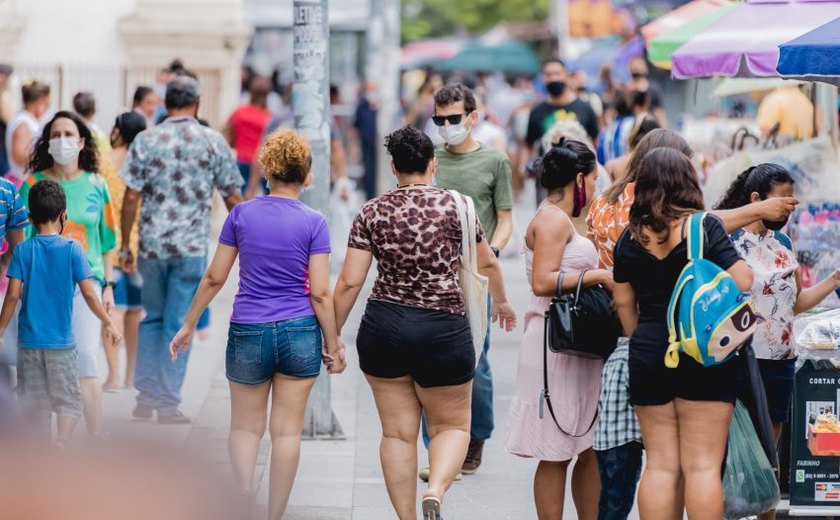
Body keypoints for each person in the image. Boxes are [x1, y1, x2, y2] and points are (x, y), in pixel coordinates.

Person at [333, 125, 517, 520]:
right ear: (433, 164)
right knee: (452, 426)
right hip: (443, 329)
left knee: (397, 433)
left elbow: (350, 281)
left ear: (393, 167)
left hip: (384, 327)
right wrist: (501, 302)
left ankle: (407, 518)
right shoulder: (460, 207)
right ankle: (434, 488)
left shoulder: (372, 211)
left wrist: (331, 337)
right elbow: (487, 263)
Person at [170, 129, 345, 518]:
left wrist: (188, 323)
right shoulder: (315, 222)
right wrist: (333, 343)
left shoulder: (241, 214)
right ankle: (275, 514)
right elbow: (319, 292)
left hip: (248, 329)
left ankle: (243, 494)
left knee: (246, 427)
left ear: (266, 171)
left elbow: (215, 277)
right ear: (308, 176)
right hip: (299, 331)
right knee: (287, 432)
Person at [612, 147, 754, 519]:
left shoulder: (629, 238)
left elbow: (624, 304)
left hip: (648, 349)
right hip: (702, 352)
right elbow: (743, 279)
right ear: (687, 183)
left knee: (660, 465)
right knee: (703, 466)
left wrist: (643, 337)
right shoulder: (704, 227)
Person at [716, 164, 839, 520]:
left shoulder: (784, 243)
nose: (789, 208)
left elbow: (794, 304)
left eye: (792, 201)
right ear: (756, 200)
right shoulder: (728, 239)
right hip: (738, 359)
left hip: (781, 362)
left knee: (770, 456)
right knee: (731, 450)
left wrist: (833, 280)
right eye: (783, 200)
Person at [119, 75, 242, 424]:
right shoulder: (211, 141)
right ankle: (168, 403)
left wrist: (128, 242)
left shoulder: (146, 140)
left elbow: (130, 196)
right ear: (197, 104)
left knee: (152, 318)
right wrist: (252, 234)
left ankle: (146, 398)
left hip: (152, 248)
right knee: (179, 321)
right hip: (189, 248)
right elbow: (232, 196)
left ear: (165, 103)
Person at [505, 138, 607, 520]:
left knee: (586, 444)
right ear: (579, 180)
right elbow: (542, 282)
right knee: (555, 450)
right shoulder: (553, 218)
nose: (595, 189)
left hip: (572, 341)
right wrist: (600, 275)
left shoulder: (559, 218)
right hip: (556, 342)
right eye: (594, 181)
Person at [427, 83, 514, 477]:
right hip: (432, 274)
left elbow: (506, 218)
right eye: (439, 120)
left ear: (473, 117)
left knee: (475, 361)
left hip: (477, 276)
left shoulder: (495, 161)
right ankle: (439, 445)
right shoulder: (431, 160)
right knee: (431, 360)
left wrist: (491, 251)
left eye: (453, 119)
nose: (446, 126)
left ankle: (475, 437)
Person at [0, 180, 120, 446]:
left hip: (28, 345)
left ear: (30, 218)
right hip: (62, 345)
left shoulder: (23, 251)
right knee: (69, 403)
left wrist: (0, 329)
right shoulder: (73, 249)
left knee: (35, 405)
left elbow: (13, 294)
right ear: (64, 215)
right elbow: (90, 293)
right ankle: (63, 441)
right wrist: (108, 322)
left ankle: (42, 452)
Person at [21, 111, 117, 440]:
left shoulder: (96, 185)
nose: (62, 140)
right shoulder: (31, 185)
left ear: (81, 143)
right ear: (47, 142)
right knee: (39, 363)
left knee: (87, 356)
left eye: (68, 134)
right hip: (41, 290)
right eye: (56, 134)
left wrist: (109, 286)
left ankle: (96, 438)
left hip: (85, 285)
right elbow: (21, 242)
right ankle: (44, 444)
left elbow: (108, 239)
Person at [100, 112, 147, 390]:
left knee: (112, 311)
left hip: (110, 243)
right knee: (136, 313)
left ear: (118, 131)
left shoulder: (104, 162)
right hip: (140, 245)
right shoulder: (144, 162)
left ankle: (114, 376)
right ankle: (131, 376)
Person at [524, 59, 599, 163]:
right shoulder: (537, 111)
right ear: (543, 78)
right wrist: (525, 168)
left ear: (566, 76)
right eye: (549, 75)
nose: (553, 78)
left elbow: (595, 142)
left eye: (557, 73)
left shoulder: (585, 108)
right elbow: (528, 145)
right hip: (548, 174)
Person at [224, 75, 272, 194]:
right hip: (261, 163)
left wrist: (233, 143)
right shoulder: (269, 117)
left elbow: (226, 129)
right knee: (270, 199)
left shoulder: (239, 112)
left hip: (242, 161)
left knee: (243, 198)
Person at [5, 81, 50, 186]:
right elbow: (20, 156)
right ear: (41, 102)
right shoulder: (23, 123)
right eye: (47, 104)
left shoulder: (27, 120)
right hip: (21, 183)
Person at [597, 89, 650, 170]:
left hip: (609, 177)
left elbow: (600, 159)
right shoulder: (638, 125)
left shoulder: (606, 130)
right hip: (630, 174)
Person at [756, 86, 822, 140]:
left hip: (782, 152)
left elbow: (765, 132)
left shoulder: (773, 99)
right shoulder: (805, 100)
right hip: (805, 151)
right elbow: (818, 126)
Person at [355, 81, 379, 200]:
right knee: (369, 171)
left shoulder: (381, 106)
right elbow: (356, 126)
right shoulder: (361, 105)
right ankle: (370, 196)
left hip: (380, 145)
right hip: (367, 144)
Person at [627, 57, 666, 127]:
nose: (637, 71)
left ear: (645, 69)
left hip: (649, 128)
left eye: (639, 68)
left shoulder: (653, 89)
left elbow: (659, 113)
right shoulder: (626, 90)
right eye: (635, 68)